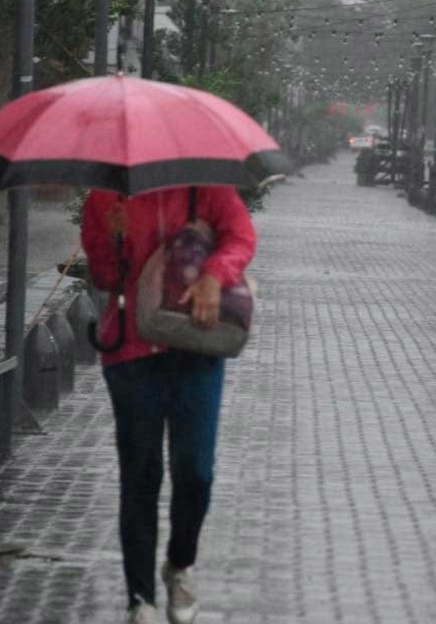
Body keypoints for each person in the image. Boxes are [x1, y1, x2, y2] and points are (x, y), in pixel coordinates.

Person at [81, 185, 258, 624]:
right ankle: (140, 598)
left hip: (196, 346)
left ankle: (179, 565)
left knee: (195, 471)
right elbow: (104, 276)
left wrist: (215, 275)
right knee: (141, 471)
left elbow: (241, 237)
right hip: (131, 353)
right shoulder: (106, 197)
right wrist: (114, 237)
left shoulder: (207, 187)